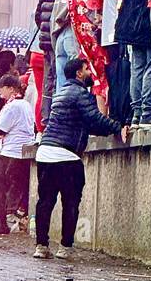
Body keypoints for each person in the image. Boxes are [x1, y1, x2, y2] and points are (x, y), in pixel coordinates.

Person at [33, 57, 126, 259]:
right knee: (71, 202)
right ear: (78, 73)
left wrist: (107, 129)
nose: (90, 72)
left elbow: (86, 124)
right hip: (66, 155)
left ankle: (41, 246)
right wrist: (118, 127)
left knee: (45, 202)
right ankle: (65, 247)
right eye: (86, 69)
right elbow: (94, 119)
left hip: (45, 152)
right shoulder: (80, 93)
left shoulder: (60, 93)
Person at [0, 73, 35, 238]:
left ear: (11, 89)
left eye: (2, 87)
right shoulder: (26, 105)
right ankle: (14, 219)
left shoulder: (12, 106)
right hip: (23, 152)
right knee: (18, 187)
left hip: (10, 152)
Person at [34, 0, 62, 126]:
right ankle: (56, 114)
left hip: (45, 41)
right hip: (57, 39)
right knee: (58, 77)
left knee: (47, 80)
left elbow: (38, 16)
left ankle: (46, 117)